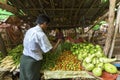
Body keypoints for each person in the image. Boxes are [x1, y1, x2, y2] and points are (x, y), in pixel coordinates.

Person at [20, 14, 61, 80]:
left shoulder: (30, 30)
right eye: (47, 25)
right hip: (33, 62)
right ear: (44, 23)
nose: (47, 27)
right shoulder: (41, 35)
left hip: (24, 59)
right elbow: (51, 51)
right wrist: (58, 42)